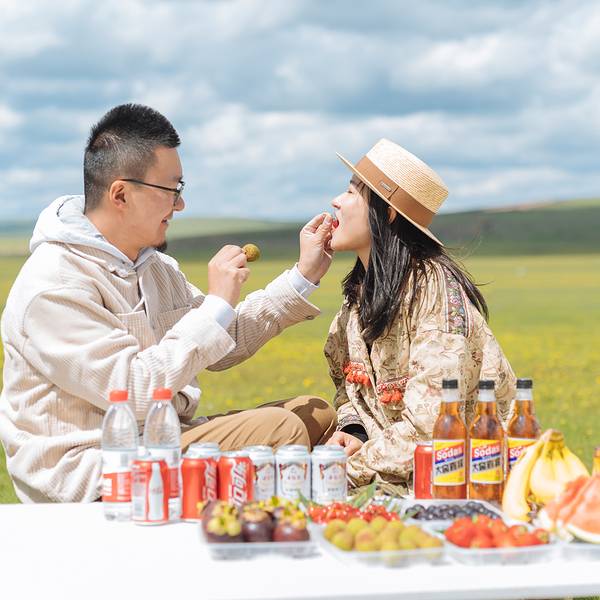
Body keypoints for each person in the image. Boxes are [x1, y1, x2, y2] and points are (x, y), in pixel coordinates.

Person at [0, 104, 336, 503]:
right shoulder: (55, 284)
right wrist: (216, 304)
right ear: (121, 194)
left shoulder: (153, 266)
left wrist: (303, 276)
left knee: (316, 413)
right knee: (283, 431)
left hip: (158, 438)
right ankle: (245, 528)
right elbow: (135, 392)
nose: (180, 206)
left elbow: (222, 342)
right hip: (94, 468)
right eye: (171, 190)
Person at [323, 138, 515, 488]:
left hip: (466, 481)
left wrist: (335, 475)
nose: (336, 201)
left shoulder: (434, 291)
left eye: (351, 192)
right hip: (400, 476)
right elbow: (349, 389)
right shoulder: (360, 292)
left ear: (387, 213)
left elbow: (431, 427)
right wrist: (355, 430)